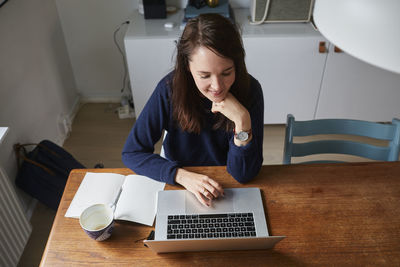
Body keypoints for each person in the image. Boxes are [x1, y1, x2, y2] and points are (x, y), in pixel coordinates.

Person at [122, 13, 264, 207]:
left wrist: (242, 122)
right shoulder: (169, 89)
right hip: (181, 182)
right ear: (187, 67)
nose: (217, 87)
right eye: (204, 75)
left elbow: (243, 175)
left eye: (226, 73)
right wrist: (181, 176)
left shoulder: (251, 90)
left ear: (237, 65)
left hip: (229, 184)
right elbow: (132, 153)